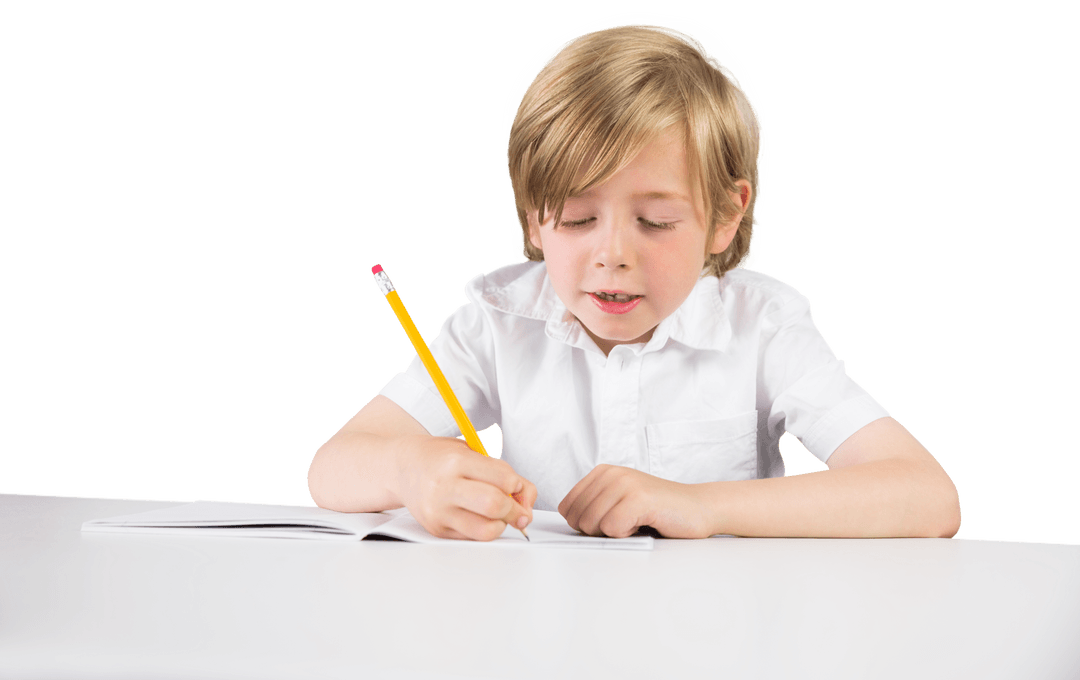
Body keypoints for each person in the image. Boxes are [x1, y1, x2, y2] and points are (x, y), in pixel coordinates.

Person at [306, 19, 962, 541]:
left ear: (724, 217)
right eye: (577, 218)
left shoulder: (759, 327)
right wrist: (411, 468)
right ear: (535, 218)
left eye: (654, 221)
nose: (612, 254)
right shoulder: (498, 324)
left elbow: (925, 496)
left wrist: (700, 507)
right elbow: (332, 468)